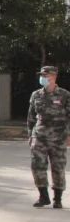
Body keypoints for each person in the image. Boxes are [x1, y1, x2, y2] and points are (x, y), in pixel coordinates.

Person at [27, 65, 70, 209]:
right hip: (39, 136)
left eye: (46, 76)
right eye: (42, 75)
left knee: (58, 168)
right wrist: (30, 135)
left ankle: (57, 198)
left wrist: (68, 135)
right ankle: (43, 196)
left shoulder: (65, 95)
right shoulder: (36, 95)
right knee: (37, 166)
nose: (42, 78)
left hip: (59, 137)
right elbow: (31, 117)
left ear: (54, 77)